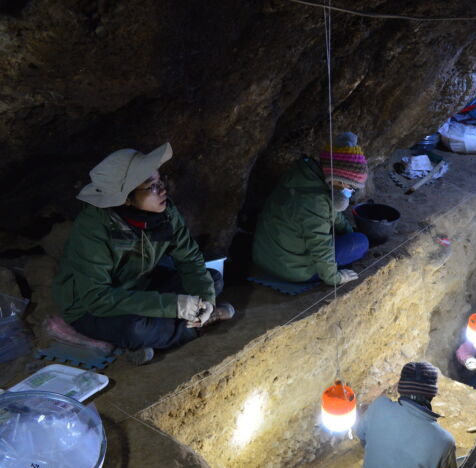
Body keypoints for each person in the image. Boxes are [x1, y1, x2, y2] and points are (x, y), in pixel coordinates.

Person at [52, 143, 235, 365]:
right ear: (125, 197)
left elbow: (189, 259)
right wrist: (174, 305)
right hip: (90, 305)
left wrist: (205, 299)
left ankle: (177, 328)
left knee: (212, 279)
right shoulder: (93, 228)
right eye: (152, 186)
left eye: (160, 182)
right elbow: (97, 298)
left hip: (140, 283)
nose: (163, 190)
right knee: (135, 329)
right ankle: (198, 325)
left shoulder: (165, 212)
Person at [251, 132, 370, 287]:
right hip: (289, 268)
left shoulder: (307, 176)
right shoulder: (315, 202)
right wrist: (335, 278)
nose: (352, 191)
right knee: (360, 243)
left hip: (266, 255)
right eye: (352, 187)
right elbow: (320, 245)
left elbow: (332, 212)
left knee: (352, 237)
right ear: (339, 181)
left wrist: (348, 231)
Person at [356, 361, 456, 468]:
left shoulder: (378, 407)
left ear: (400, 388)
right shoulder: (443, 441)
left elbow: (363, 438)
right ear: (432, 394)